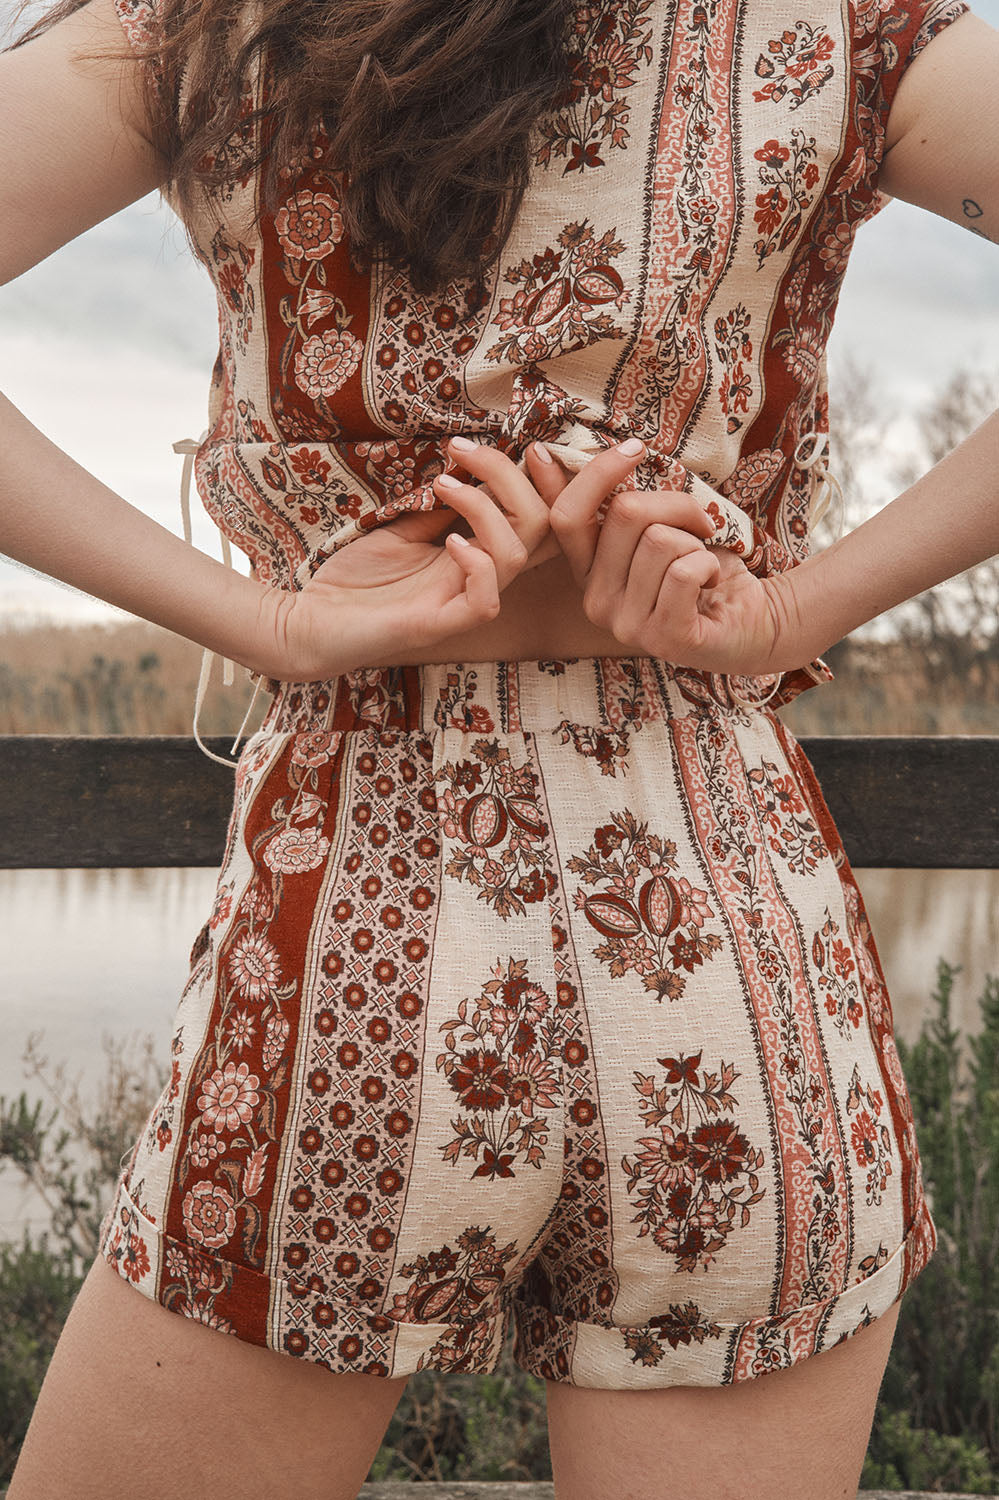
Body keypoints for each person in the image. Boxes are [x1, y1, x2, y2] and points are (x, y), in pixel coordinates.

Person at [3, 0, 997, 1493]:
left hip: (354, 934)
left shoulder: (212, 25)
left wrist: (270, 621)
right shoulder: (839, 27)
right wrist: (795, 606)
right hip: (726, 939)